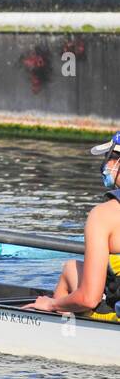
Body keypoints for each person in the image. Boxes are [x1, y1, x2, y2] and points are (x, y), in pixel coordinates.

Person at [26, 133, 120, 316]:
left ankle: (58, 331)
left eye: (107, 158)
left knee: (70, 269)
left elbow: (89, 298)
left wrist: (51, 304)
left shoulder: (104, 215)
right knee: (72, 267)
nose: (105, 165)